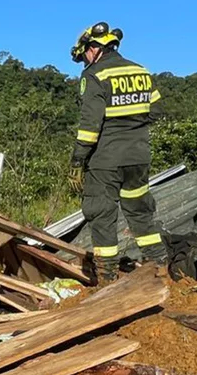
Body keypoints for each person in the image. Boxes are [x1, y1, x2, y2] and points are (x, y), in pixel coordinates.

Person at [68, 22, 168, 283]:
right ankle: (159, 265)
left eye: (84, 56)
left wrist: (78, 160)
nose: (84, 62)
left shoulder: (94, 75)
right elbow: (156, 110)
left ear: (92, 48)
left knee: (101, 214)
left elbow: (90, 126)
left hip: (105, 161)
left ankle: (107, 277)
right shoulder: (141, 71)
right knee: (140, 212)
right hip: (139, 157)